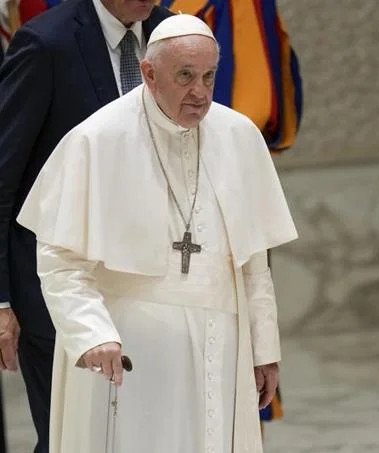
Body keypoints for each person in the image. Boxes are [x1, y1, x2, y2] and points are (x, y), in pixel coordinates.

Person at [16, 13, 297, 453]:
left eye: (208, 76)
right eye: (185, 76)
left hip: (220, 345)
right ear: (149, 73)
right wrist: (91, 333)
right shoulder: (97, 139)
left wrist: (264, 349)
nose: (200, 92)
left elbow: (253, 262)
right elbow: (60, 261)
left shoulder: (239, 136)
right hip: (131, 350)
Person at [0, 0, 172, 451]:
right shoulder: (45, 44)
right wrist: (1, 300)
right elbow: (3, 176)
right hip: (58, 288)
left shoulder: (171, 32)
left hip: (154, 290)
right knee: (70, 439)